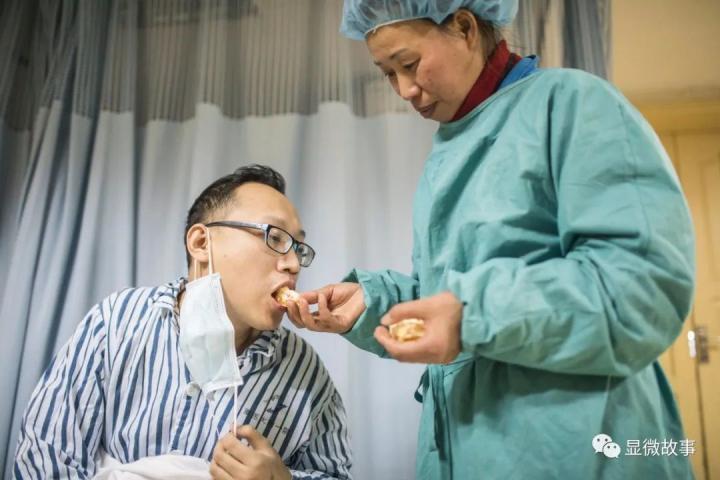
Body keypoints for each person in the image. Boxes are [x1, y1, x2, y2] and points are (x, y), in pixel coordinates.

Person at [287, 1, 696, 478]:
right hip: (473, 447)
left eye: (409, 64)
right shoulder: (450, 149)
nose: (405, 89)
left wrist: (470, 316)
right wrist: (373, 304)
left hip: (580, 446)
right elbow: (451, 292)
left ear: (464, 27)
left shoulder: (571, 105)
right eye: (387, 74)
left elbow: (640, 287)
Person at [14, 165, 352, 480]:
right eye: (274, 237)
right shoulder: (117, 323)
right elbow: (44, 456)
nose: (294, 264)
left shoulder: (305, 372)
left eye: (298, 248)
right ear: (201, 243)